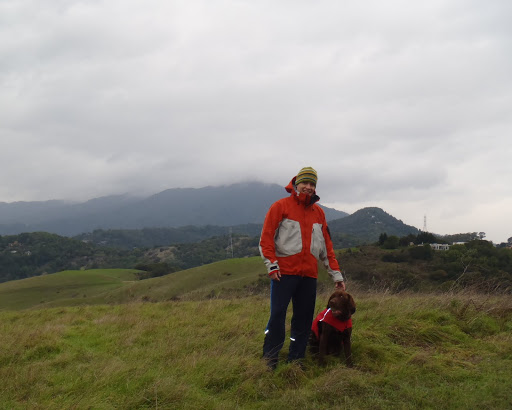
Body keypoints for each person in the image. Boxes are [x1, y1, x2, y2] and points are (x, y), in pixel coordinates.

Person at [259, 166, 345, 369]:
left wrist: (336, 276)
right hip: (283, 274)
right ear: (296, 184)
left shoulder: (319, 213)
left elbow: (327, 248)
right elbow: (266, 239)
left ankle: (296, 359)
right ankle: (270, 359)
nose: (308, 187)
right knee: (277, 316)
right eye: (305, 183)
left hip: (309, 276)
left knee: (304, 319)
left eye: (312, 184)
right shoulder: (280, 206)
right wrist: (272, 266)